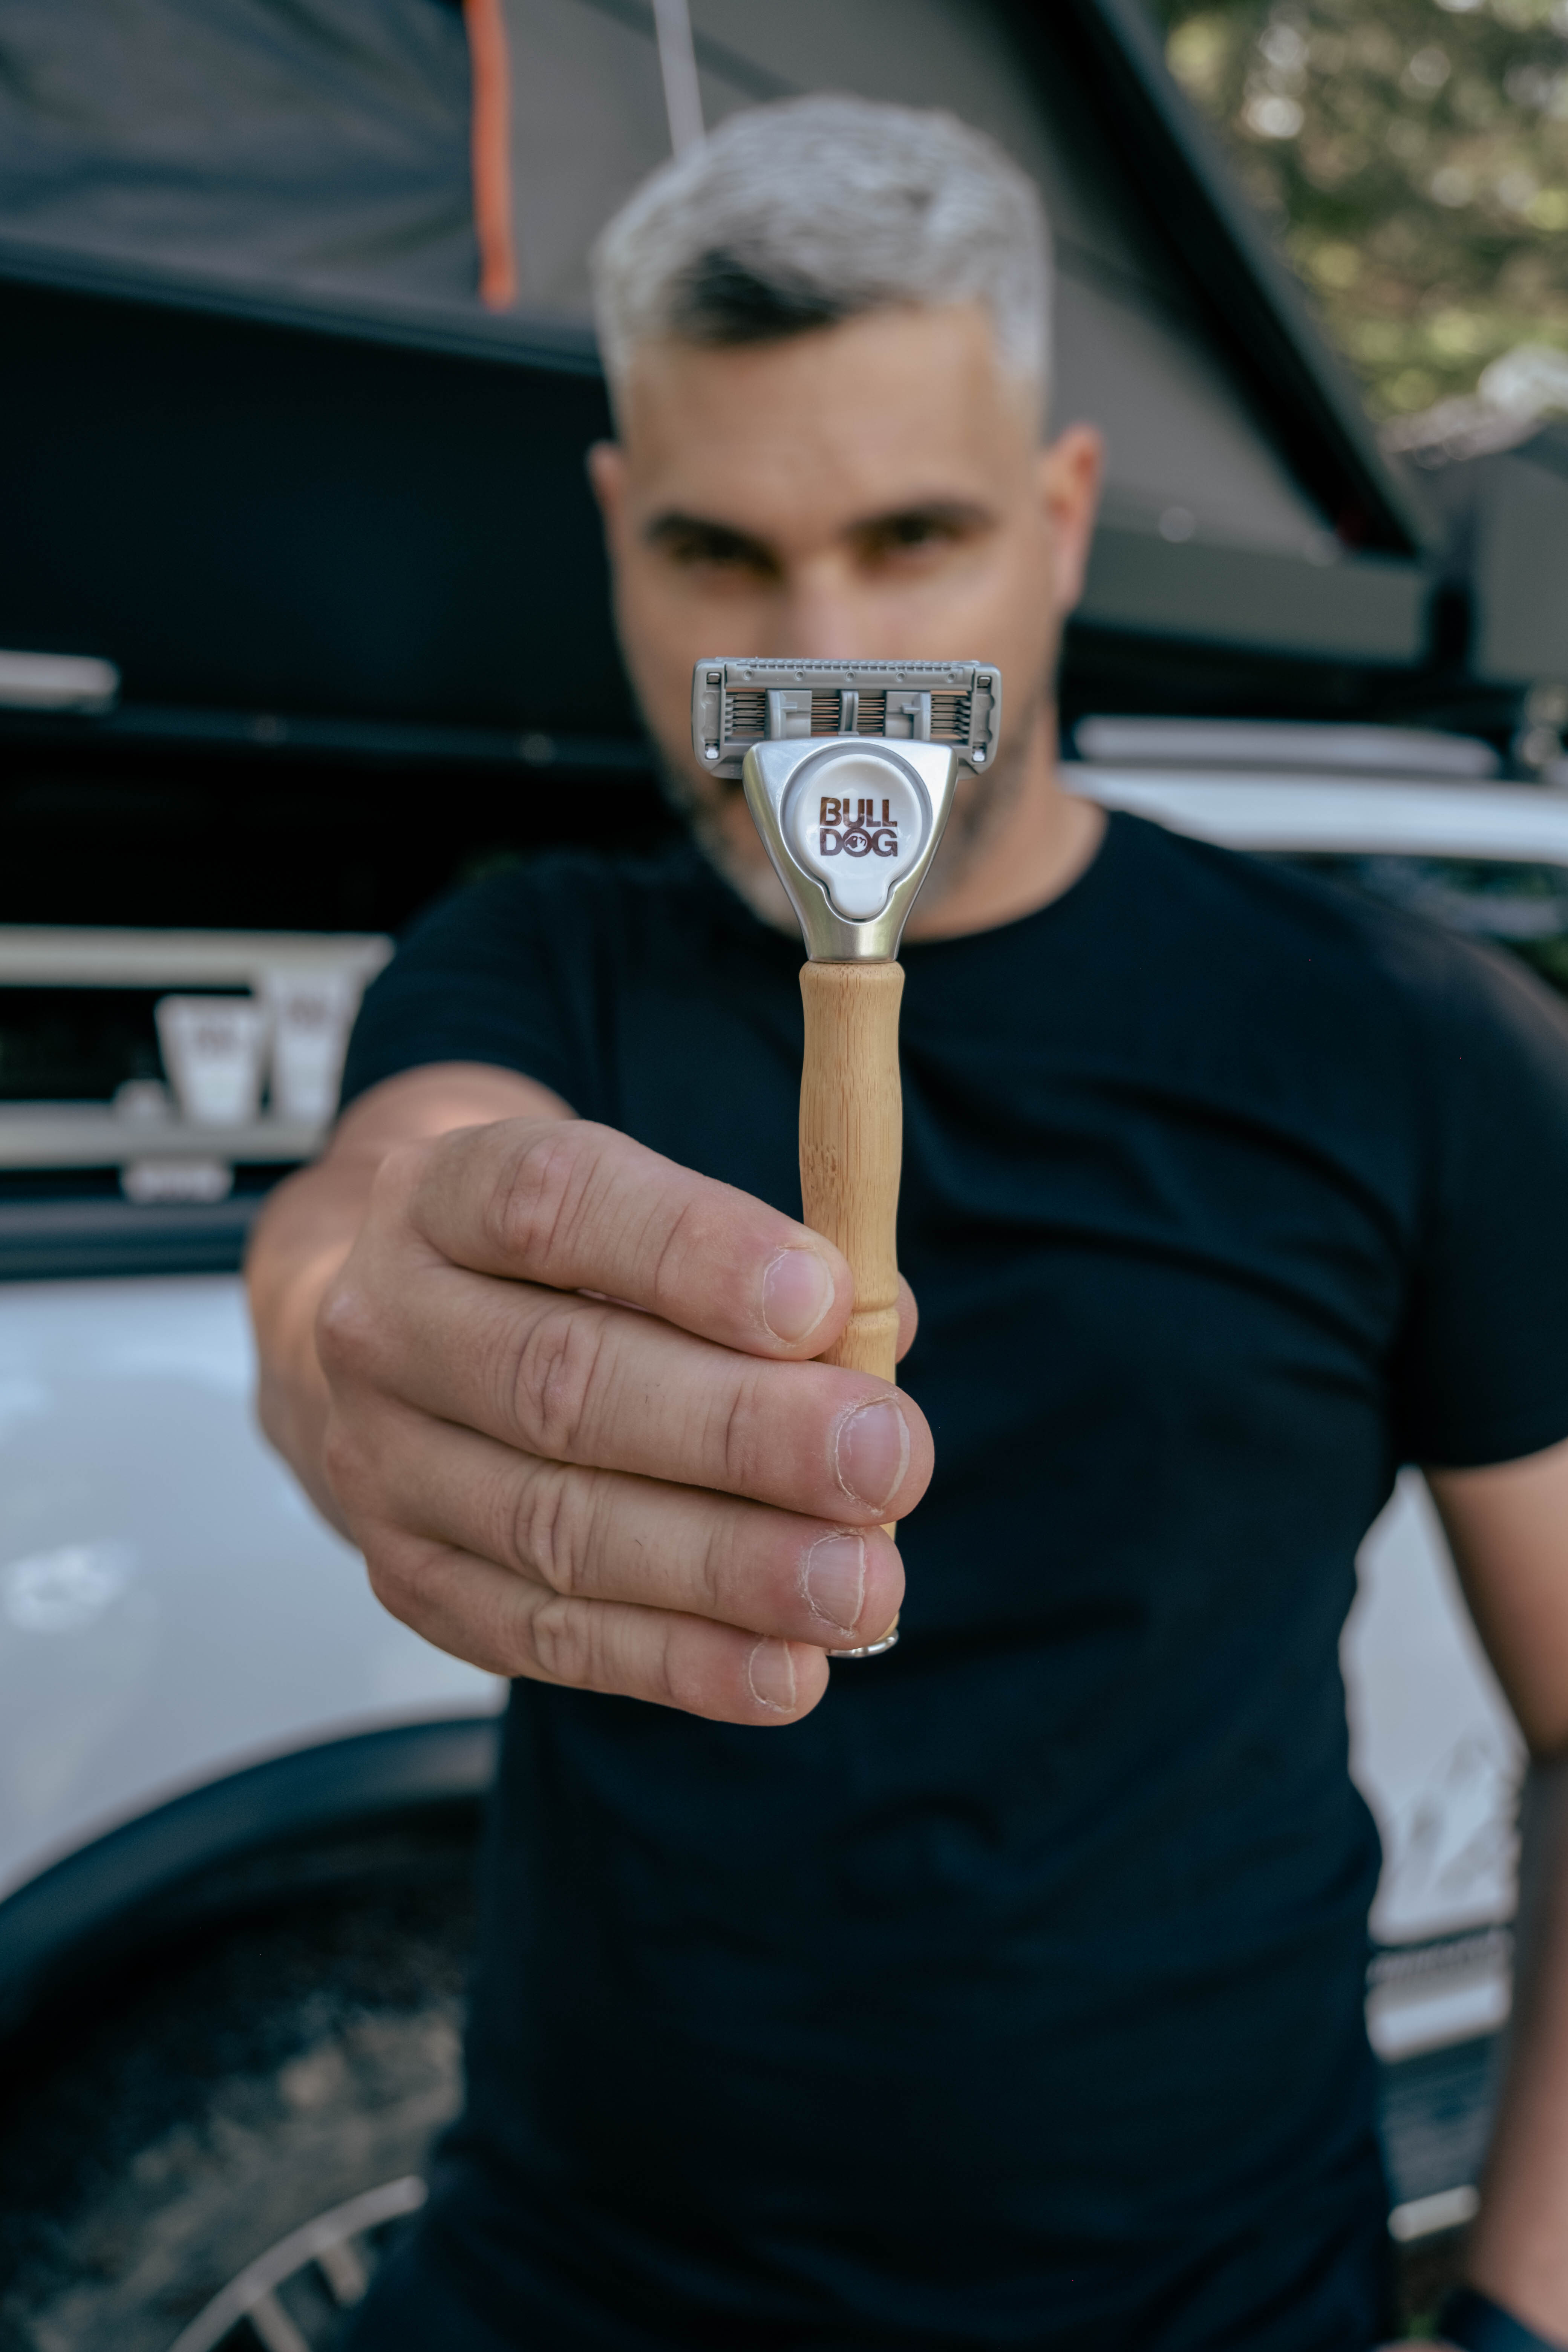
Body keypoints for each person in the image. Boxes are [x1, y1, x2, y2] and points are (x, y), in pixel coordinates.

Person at [247, 95, 1568, 2352]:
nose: (821, 646)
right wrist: (357, 1326)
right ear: (617, 535)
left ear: (1060, 519)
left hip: (1216, 2300)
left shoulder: (1412, 1037)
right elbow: (372, 1211)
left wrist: (1524, 2320)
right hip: (568, 2287)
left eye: (914, 535)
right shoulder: (536, 958)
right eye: (719, 554)